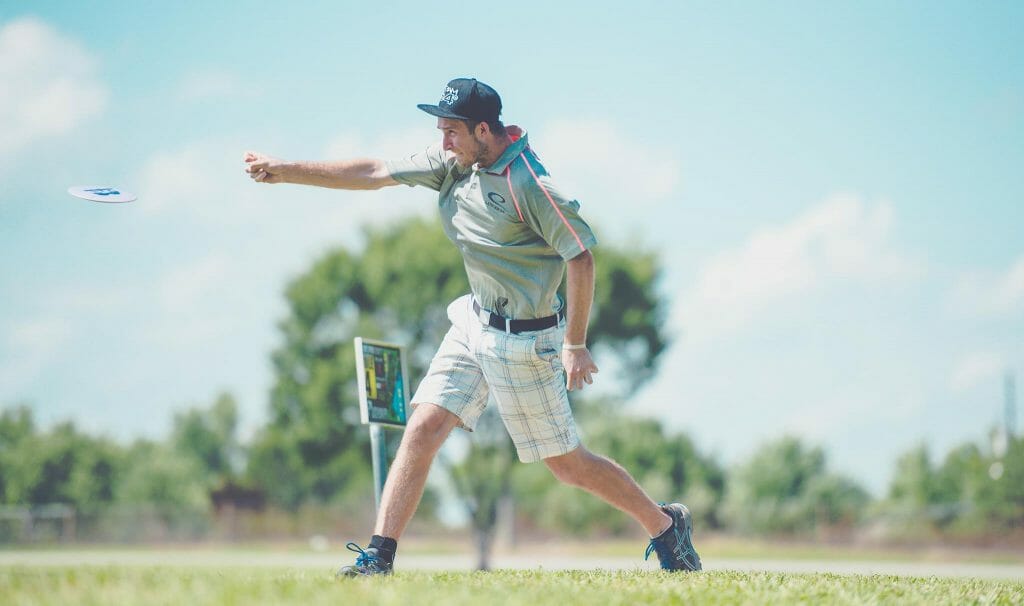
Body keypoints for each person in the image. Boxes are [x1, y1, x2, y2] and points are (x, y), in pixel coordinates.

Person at [243, 77, 701, 576]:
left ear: (484, 130)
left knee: (567, 465)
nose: (442, 142)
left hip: (527, 339)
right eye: (440, 131)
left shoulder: (529, 183)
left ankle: (664, 525)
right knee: (423, 425)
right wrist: (285, 170)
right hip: (472, 322)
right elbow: (374, 170)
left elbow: (581, 257)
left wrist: (575, 344)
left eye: (451, 132)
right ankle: (380, 555)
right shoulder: (453, 164)